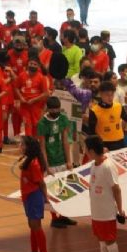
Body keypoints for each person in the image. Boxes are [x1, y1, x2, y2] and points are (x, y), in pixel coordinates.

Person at [84, 136, 124, 252]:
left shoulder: (108, 166)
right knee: (101, 239)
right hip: (96, 211)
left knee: (110, 240)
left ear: (92, 151)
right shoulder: (94, 165)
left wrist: (120, 209)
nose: (85, 152)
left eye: (86, 149)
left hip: (107, 212)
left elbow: (116, 189)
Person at [36, 97, 77, 229]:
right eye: (53, 109)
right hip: (51, 161)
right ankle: (55, 218)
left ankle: (64, 216)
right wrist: (46, 166)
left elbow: (66, 140)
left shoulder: (63, 119)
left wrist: (69, 160)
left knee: (64, 189)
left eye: (57, 108)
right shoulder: (42, 123)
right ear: (48, 109)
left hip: (62, 159)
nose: (55, 111)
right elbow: (42, 146)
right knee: (53, 191)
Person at [88, 81, 127, 151]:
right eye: (107, 95)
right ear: (100, 94)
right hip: (104, 144)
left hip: (120, 142)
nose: (110, 98)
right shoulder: (94, 111)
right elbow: (92, 132)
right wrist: (100, 147)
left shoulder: (118, 106)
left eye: (112, 94)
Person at [19, 136, 50, 252]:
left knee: (36, 225)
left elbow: (41, 183)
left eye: (22, 144)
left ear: (29, 147)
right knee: (32, 225)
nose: (20, 147)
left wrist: (46, 198)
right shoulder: (27, 160)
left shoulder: (34, 163)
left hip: (34, 196)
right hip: (27, 196)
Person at [15, 57, 50, 136]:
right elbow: (16, 88)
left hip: (36, 106)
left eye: (35, 64)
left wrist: (34, 100)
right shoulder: (21, 75)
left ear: (38, 66)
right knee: (27, 124)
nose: (32, 65)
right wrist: (20, 98)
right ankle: (28, 144)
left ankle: (34, 143)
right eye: (31, 63)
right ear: (27, 64)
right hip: (24, 106)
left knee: (35, 125)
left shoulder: (42, 78)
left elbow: (46, 93)